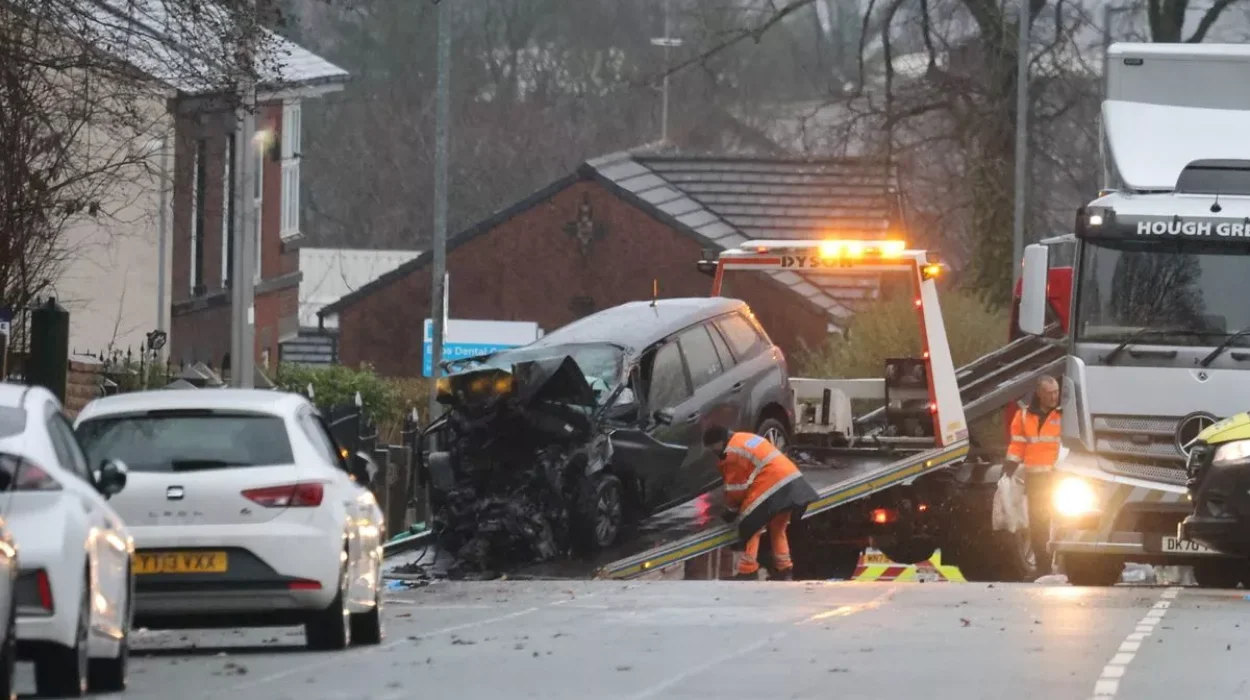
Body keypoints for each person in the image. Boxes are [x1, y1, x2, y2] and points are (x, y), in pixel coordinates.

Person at [702, 425, 818, 581]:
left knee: (751, 523)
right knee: (778, 528)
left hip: (773, 484)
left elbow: (736, 487)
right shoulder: (744, 438)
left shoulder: (732, 453)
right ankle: (784, 569)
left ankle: (748, 570)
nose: (713, 453)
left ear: (717, 443)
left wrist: (731, 510)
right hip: (792, 481)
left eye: (712, 449)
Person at [1005, 375, 1063, 576]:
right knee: (1038, 525)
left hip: (1059, 479)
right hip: (1036, 480)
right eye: (1049, 393)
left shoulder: (1064, 415)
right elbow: (1017, 444)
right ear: (1039, 394)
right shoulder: (1023, 416)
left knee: (1064, 522)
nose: (1054, 396)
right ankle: (1043, 568)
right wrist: (1010, 465)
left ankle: (1063, 565)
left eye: (1056, 392)